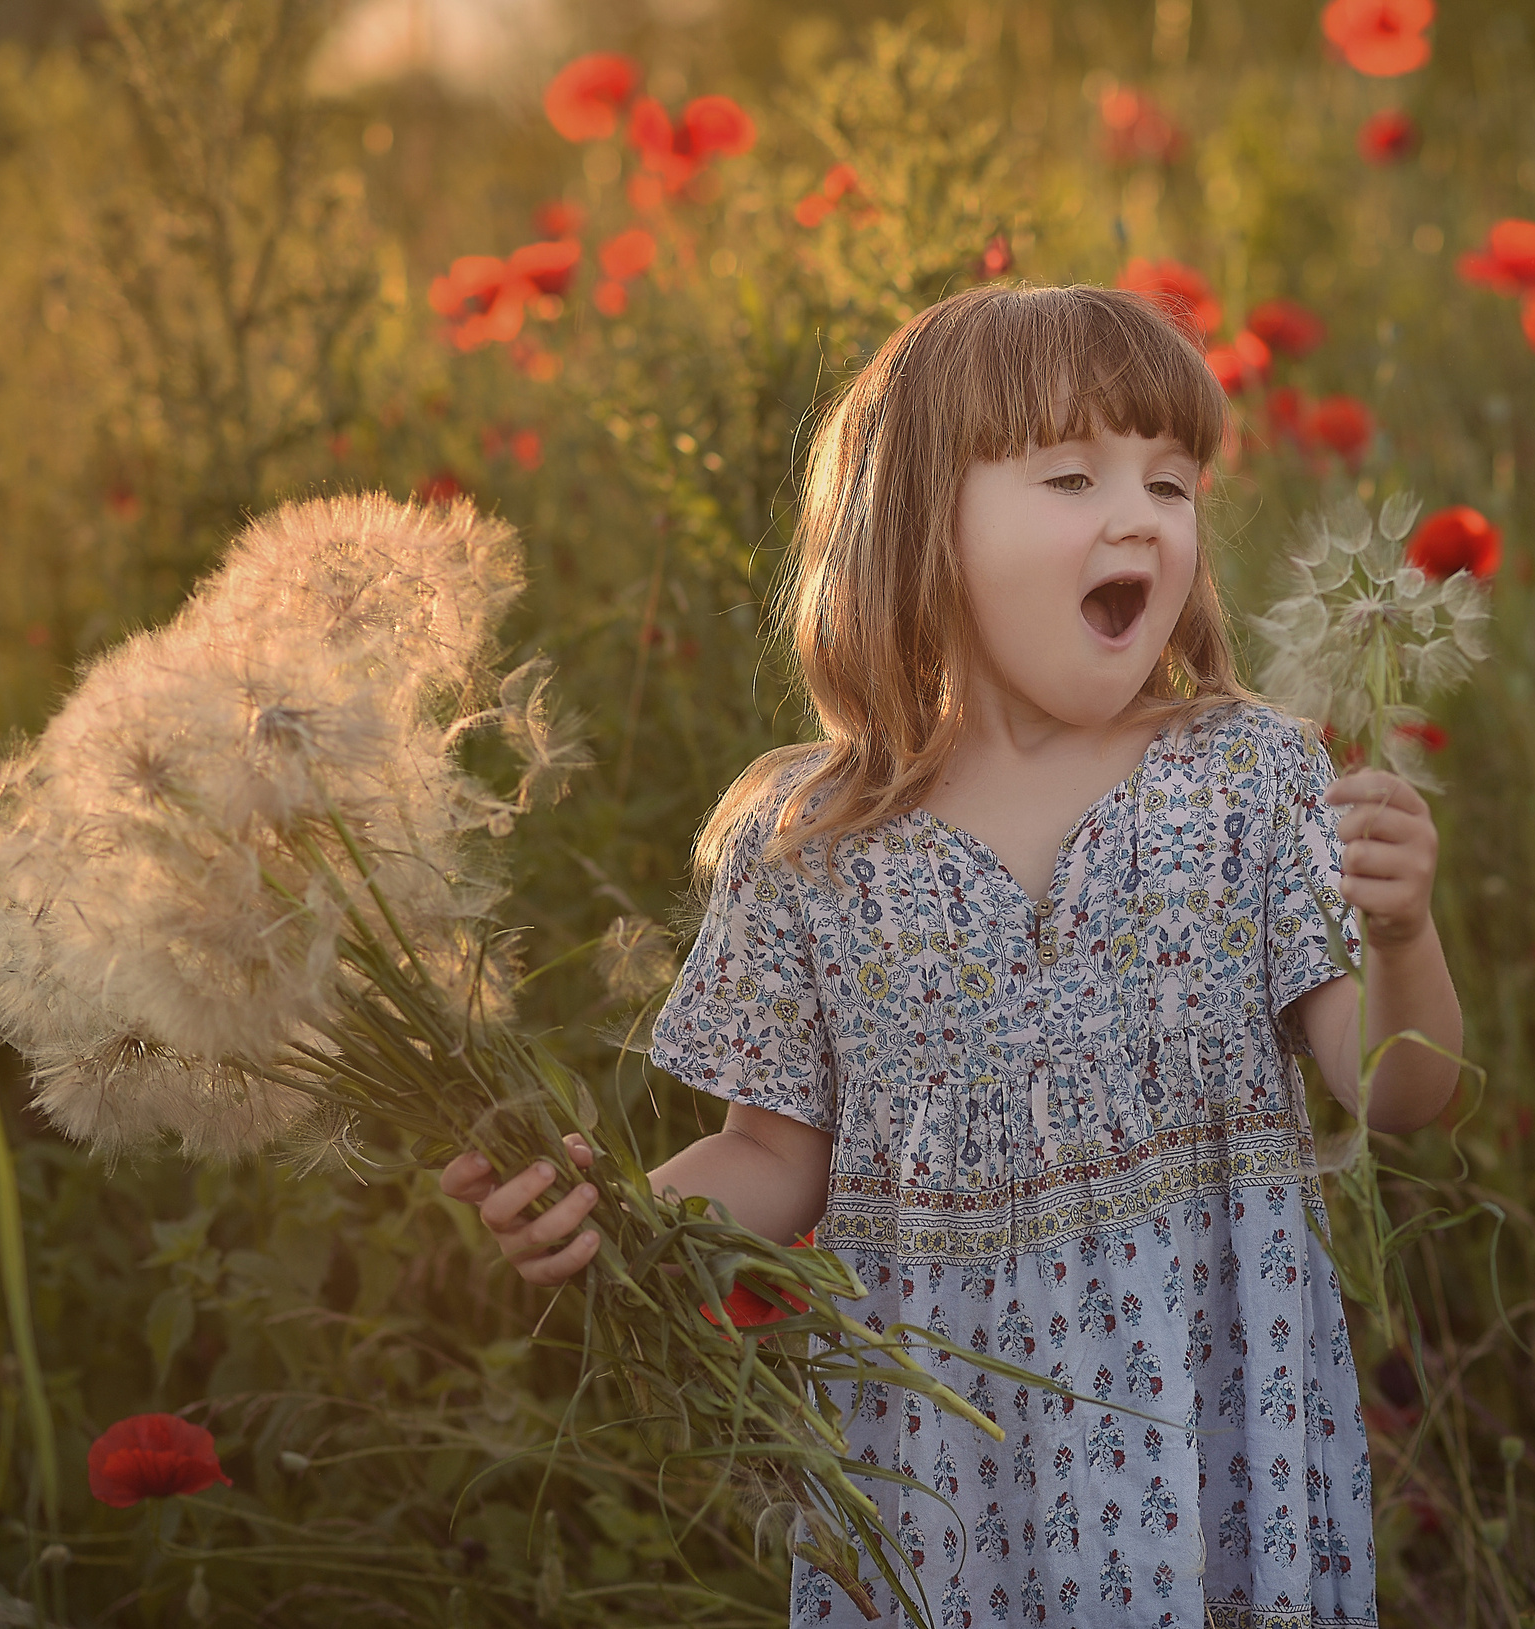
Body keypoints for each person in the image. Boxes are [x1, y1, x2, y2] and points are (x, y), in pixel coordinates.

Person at [438, 282, 1463, 1627]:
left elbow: (1395, 1090)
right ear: (923, 522)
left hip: (1213, 1438)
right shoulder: (814, 843)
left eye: (1170, 481)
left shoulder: (1247, 781)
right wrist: (615, 1222)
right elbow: (772, 1156)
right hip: (941, 1466)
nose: (1137, 515)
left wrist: (1402, 934)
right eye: (1069, 474)